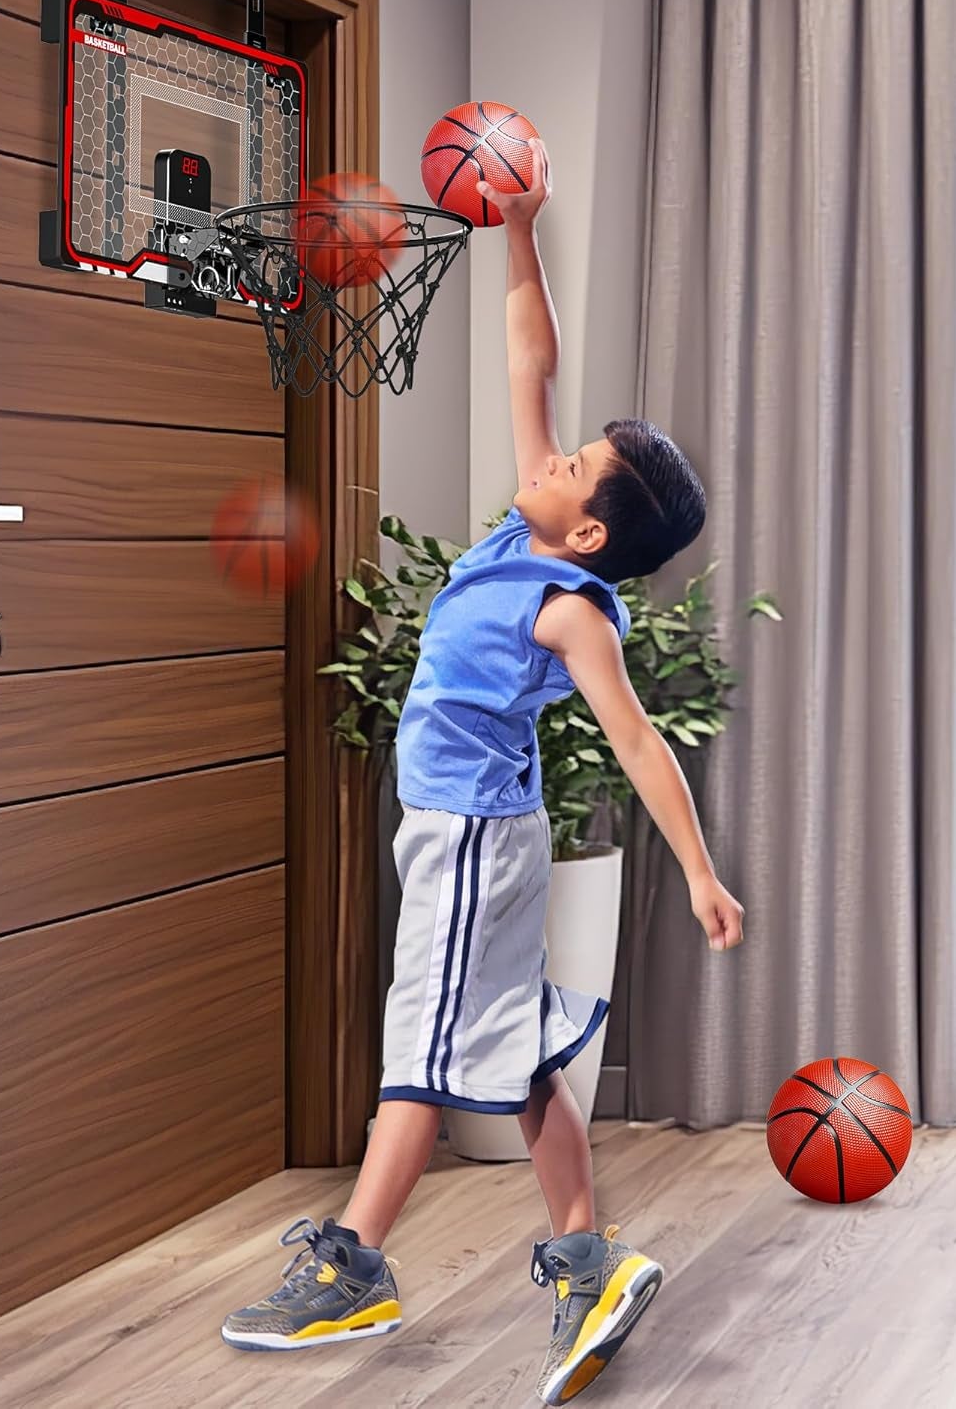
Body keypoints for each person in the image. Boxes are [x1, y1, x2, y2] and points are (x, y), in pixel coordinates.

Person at [222, 139, 746, 1406]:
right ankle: (586, 1257)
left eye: (571, 467)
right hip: (457, 829)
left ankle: (355, 1260)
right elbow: (533, 358)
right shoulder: (530, 528)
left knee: (427, 1043)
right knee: (508, 1054)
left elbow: (636, 742)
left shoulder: (572, 606)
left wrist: (698, 872)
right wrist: (518, 232)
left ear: (592, 532)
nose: (548, 455)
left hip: (469, 839)